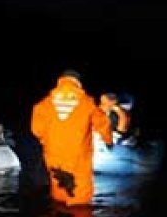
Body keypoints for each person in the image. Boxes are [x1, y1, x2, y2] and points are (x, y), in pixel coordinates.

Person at [31, 69, 113, 206]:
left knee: (58, 190)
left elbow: (37, 130)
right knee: (79, 195)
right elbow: (103, 124)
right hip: (78, 156)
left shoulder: (44, 104)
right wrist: (108, 141)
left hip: (53, 154)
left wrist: (46, 141)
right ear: (77, 82)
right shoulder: (87, 102)